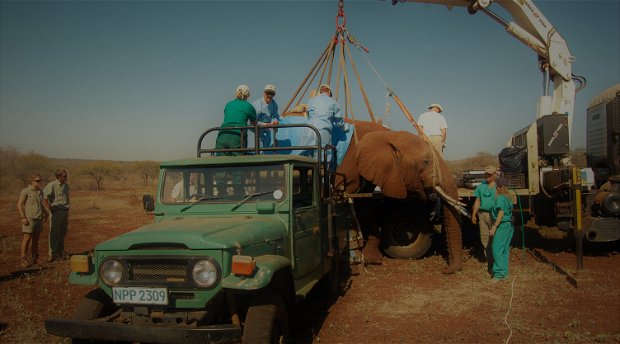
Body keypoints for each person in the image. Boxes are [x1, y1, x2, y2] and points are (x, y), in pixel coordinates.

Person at [305, 84, 346, 161]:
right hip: (323, 131)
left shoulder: (312, 100)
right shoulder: (333, 102)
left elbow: (308, 115)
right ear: (329, 92)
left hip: (309, 129)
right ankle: (321, 171)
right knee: (323, 155)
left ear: (320, 91)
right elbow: (338, 119)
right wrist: (343, 127)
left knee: (308, 153)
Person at [215, 85, 257, 156]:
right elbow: (254, 122)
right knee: (237, 163)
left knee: (220, 162)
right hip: (237, 136)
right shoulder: (248, 106)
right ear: (247, 95)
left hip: (222, 135)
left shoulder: (228, 104)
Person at [17, 174, 48, 268]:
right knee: (27, 238)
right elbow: (19, 204)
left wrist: (45, 212)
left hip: (38, 218)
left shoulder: (40, 192)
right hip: (29, 219)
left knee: (36, 239)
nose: (39, 182)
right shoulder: (26, 191)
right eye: (37, 181)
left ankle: (35, 258)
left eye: (40, 180)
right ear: (32, 181)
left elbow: (40, 204)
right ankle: (23, 259)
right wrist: (23, 217)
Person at [472, 166, 497, 268]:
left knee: (495, 237)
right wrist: (474, 214)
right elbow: (477, 201)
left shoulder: (498, 187)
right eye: (486, 174)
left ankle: (497, 260)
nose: (487, 176)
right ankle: (489, 261)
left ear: (495, 174)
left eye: (490, 174)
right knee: (484, 237)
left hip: (493, 215)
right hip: (482, 214)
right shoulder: (481, 186)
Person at [490, 176, 514, 282]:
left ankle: (498, 274)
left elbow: (501, 213)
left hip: (502, 225)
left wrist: (494, 227)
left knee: (496, 249)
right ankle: (504, 273)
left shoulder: (500, 198)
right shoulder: (507, 197)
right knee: (504, 249)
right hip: (509, 225)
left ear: (498, 187)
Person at [43, 169, 70, 262]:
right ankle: (52, 254)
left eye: (66, 176)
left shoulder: (66, 186)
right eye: (64, 176)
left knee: (62, 233)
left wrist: (68, 207)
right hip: (56, 212)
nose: (66, 178)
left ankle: (60, 252)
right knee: (54, 233)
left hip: (64, 211)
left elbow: (67, 197)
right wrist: (49, 208)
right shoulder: (52, 185)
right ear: (58, 177)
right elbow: (44, 196)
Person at [248, 84, 279, 149]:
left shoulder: (274, 104)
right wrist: (265, 124)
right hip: (255, 133)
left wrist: (275, 121)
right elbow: (250, 122)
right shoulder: (256, 105)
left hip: (266, 133)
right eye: (268, 93)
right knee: (256, 153)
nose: (270, 95)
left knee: (266, 152)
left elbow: (275, 116)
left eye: (272, 93)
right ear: (264, 93)